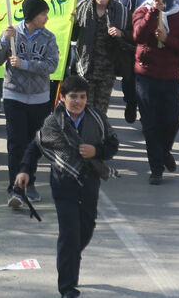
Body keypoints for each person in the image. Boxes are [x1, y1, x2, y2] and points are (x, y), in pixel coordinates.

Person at [14, 74, 119, 298]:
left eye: (82, 97)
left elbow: (112, 144)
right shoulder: (53, 122)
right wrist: (24, 170)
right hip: (63, 184)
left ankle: (68, 257)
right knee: (70, 234)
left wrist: (97, 151)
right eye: (73, 97)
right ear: (62, 98)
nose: (78, 101)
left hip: (90, 181)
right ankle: (68, 288)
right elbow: (36, 146)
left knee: (86, 230)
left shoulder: (97, 118)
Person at [0, 0, 59, 209]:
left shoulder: (49, 37)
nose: (46, 17)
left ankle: (30, 182)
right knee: (16, 143)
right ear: (31, 15)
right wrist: (3, 39)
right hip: (13, 95)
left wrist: (25, 63)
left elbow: (51, 65)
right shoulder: (13, 33)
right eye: (42, 13)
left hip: (39, 98)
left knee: (33, 144)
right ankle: (15, 189)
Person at [130, 0, 179, 184]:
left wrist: (167, 39)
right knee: (150, 124)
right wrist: (152, 13)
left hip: (170, 76)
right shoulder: (142, 11)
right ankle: (156, 167)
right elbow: (138, 35)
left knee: (172, 121)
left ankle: (165, 151)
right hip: (147, 76)